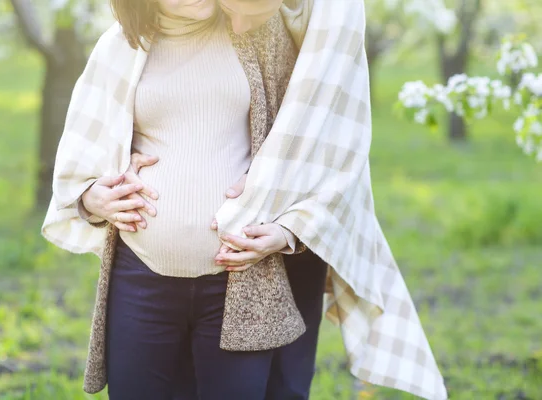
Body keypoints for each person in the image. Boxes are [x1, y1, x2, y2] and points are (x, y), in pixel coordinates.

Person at [42, 0, 448, 399]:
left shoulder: (257, 30)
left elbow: (319, 144)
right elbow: (84, 155)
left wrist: (288, 229)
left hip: (237, 280)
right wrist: (93, 197)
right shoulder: (122, 47)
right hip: (141, 276)